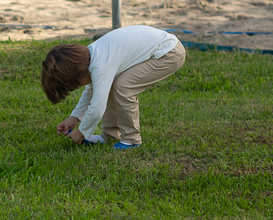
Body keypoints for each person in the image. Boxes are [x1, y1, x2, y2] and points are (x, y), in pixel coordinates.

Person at [40, 24, 186, 150]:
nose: (82, 86)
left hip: (169, 52)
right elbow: (91, 92)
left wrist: (82, 132)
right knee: (110, 86)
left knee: (123, 87)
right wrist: (74, 118)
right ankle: (110, 134)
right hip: (162, 48)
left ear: (79, 76)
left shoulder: (100, 65)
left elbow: (97, 108)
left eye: (78, 84)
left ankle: (132, 139)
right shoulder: (91, 56)